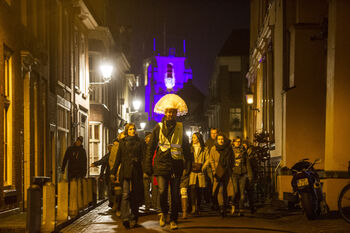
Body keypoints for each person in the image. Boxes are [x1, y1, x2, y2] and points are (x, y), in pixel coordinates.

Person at [144, 106, 191, 230]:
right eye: (169, 111)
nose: (171, 114)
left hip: (176, 165)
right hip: (161, 164)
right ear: (165, 112)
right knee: (162, 191)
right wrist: (148, 165)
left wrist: (189, 163)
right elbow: (150, 147)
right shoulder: (158, 127)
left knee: (175, 195)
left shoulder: (181, 127)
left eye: (173, 112)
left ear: (176, 114)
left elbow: (186, 146)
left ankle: (174, 219)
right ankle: (164, 213)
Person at [111, 123, 144, 228]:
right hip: (125, 171)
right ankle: (125, 217)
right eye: (130, 129)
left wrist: (145, 169)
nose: (132, 130)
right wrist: (113, 172)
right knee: (125, 194)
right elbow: (118, 158)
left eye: (133, 129)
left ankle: (134, 217)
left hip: (136, 171)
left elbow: (144, 157)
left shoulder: (140, 142)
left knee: (135, 195)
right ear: (127, 131)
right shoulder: (122, 142)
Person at [208, 133, 233, 218]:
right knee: (219, 190)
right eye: (219, 139)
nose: (220, 140)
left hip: (226, 171)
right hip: (217, 172)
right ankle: (221, 208)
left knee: (226, 190)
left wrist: (230, 168)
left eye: (222, 139)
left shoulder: (229, 148)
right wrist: (214, 169)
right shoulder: (213, 148)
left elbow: (232, 159)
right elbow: (211, 160)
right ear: (216, 140)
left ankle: (224, 207)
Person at [228, 136, 252, 216]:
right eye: (236, 141)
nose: (237, 143)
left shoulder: (244, 151)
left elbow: (247, 163)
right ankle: (233, 204)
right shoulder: (230, 151)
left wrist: (249, 174)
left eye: (239, 141)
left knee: (242, 193)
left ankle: (241, 209)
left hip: (243, 173)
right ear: (233, 142)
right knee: (235, 191)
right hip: (234, 173)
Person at [189, 132, 209, 215]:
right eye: (192, 137)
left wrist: (203, 167)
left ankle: (198, 206)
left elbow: (208, 159)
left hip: (200, 172)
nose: (193, 139)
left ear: (198, 138)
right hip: (192, 172)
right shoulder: (190, 148)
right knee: (192, 189)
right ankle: (193, 207)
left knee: (199, 190)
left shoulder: (204, 148)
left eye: (195, 137)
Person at [204, 128, 218, 208]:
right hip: (209, 166)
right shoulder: (208, 143)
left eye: (215, 133)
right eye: (212, 133)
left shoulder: (218, 142)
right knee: (211, 183)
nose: (213, 134)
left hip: (217, 166)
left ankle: (215, 201)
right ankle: (212, 200)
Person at [142, 132, 153, 213]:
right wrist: (144, 171)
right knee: (146, 189)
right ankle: (147, 205)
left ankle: (153, 204)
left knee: (155, 189)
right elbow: (143, 161)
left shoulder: (154, 148)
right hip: (146, 171)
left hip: (153, 171)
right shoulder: (143, 150)